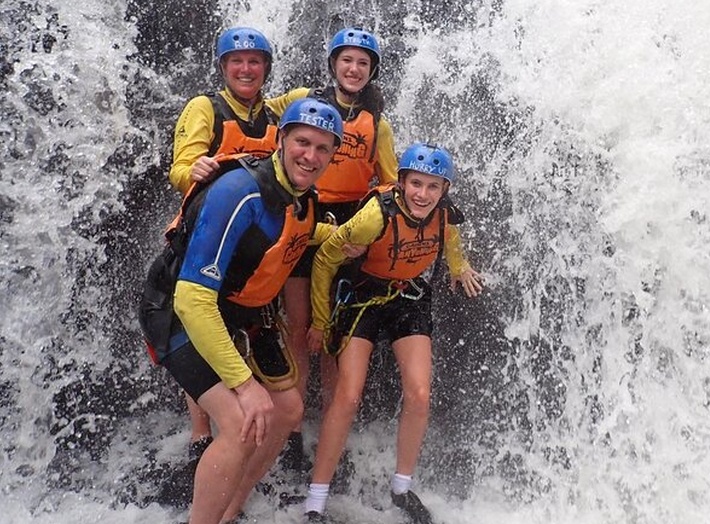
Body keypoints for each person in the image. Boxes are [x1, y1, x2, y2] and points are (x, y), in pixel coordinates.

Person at [139, 97, 344, 524]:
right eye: (303, 142)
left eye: (324, 149)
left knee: (287, 410)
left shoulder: (300, 194)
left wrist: (344, 238)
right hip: (178, 311)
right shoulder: (239, 191)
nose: (311, 156)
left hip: (233, 311)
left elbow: (292, 231)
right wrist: (244, 384)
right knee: (239, 422)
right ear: (281, 139)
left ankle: (229, 509)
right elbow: (193, 299)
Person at [302, 143, 484, 523]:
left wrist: (460, 268)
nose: (423, 194)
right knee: (348, 396)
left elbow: (449, 240)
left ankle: (402, 488)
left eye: (433, 187)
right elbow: (324, 260)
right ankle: (316, 498)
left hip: (407, 298)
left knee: (419, 393)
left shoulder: (444, 217)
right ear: (401, 183)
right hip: (363, 298)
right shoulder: (373, 218)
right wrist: (320, 322)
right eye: (415, 184)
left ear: (444, 190)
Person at [268, 26, 399, 470]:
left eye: (363, 63)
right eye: (347, 60)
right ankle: (290, 429)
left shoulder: (378, 122)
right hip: (306, 213)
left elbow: (389, 181)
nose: (354, 68)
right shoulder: (304, 98)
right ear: (333, 64)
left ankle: (329, 430)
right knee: (302, 330)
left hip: (349, 228)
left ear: (372, 71)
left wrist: (369, 226)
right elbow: (266, 119)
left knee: (336, 336)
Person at [167, 26, 282, 472]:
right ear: (223, 67)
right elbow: (179, 168)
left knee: (237, 326)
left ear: (266, 69)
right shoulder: (205, 108)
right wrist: (191, 169)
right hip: (206, 232)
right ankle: (201, 433)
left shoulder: (274, 115)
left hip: (252, 240)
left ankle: (243, 415)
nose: (246, 69)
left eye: (255, 62)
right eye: (237, 62)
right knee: (199, 325)